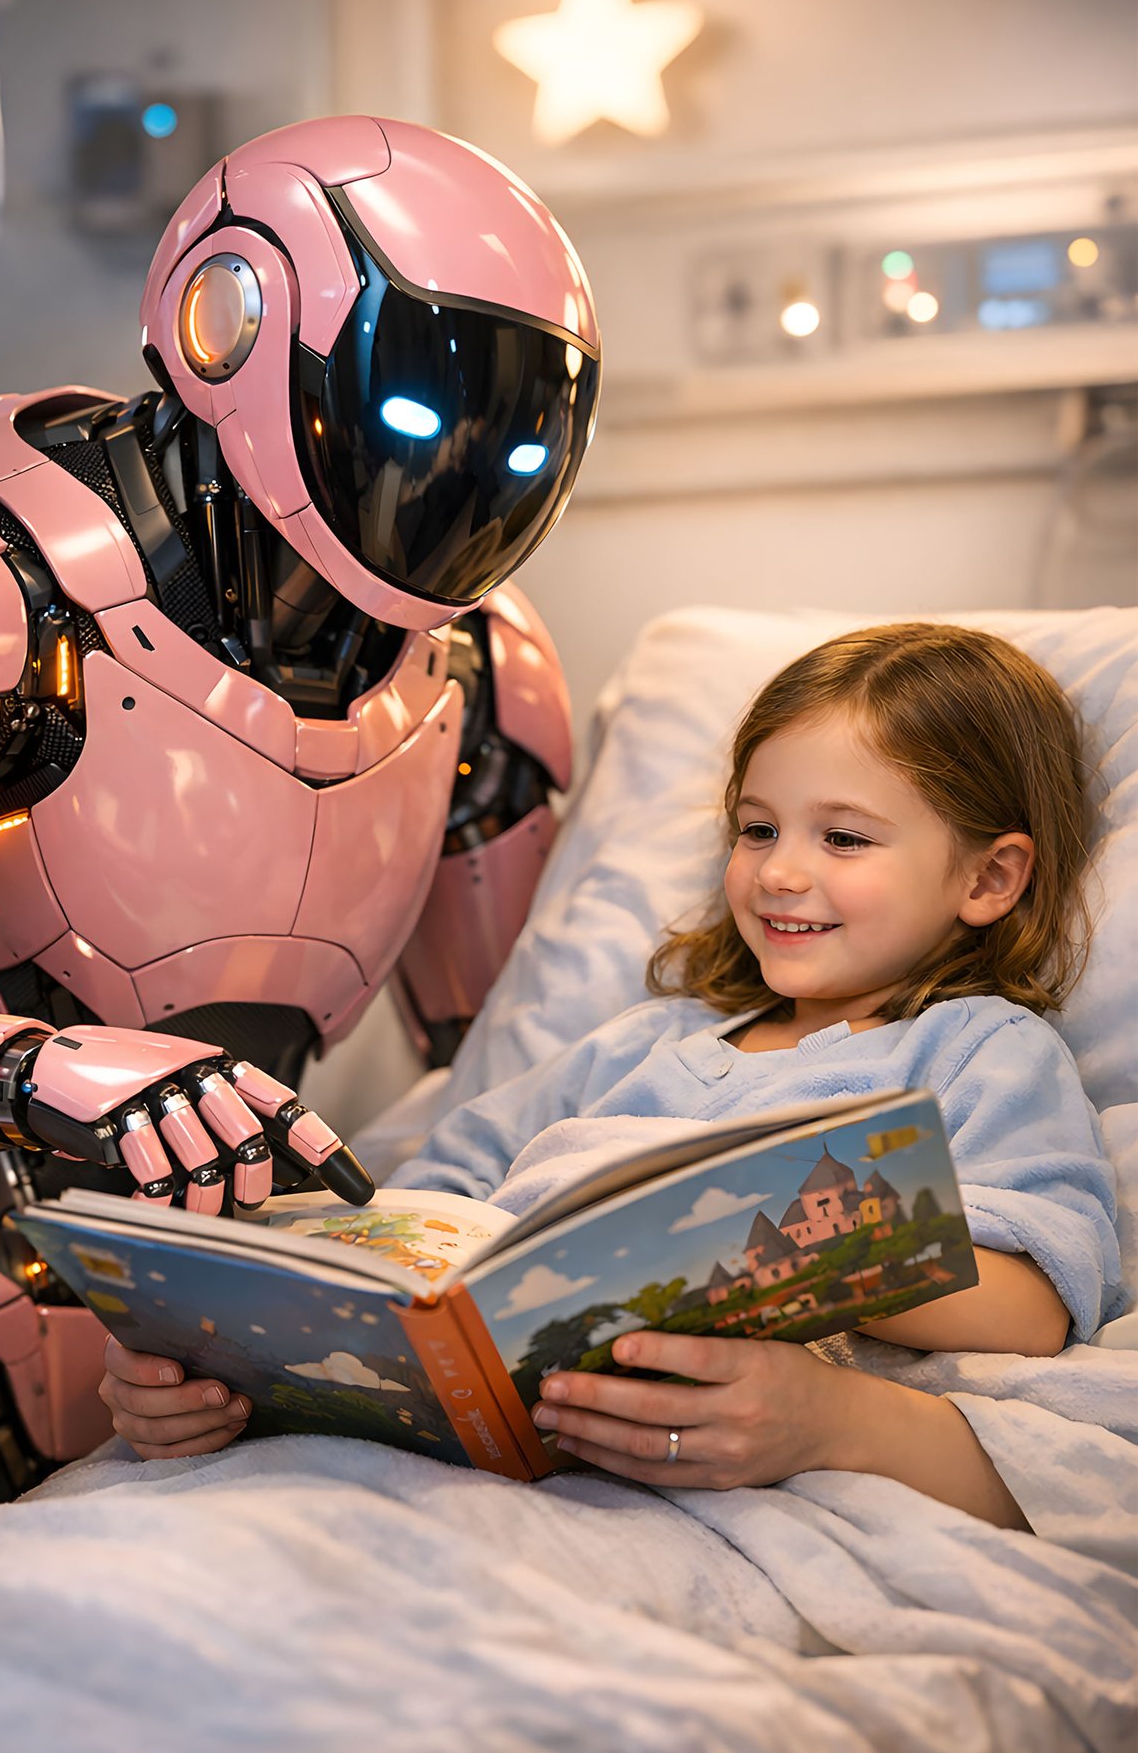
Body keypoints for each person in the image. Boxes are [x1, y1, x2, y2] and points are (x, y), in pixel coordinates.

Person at [101, 622, 1121, 1527]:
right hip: (465, 1423)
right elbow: (429, 1204)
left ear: (990, 877)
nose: (778, 872)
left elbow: (1033, 1307)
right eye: (757, 828)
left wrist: (766, 1255)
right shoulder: (642, 1046)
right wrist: (228, 1344)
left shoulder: (973, 1047)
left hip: (686, 1456)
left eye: (842, 838)